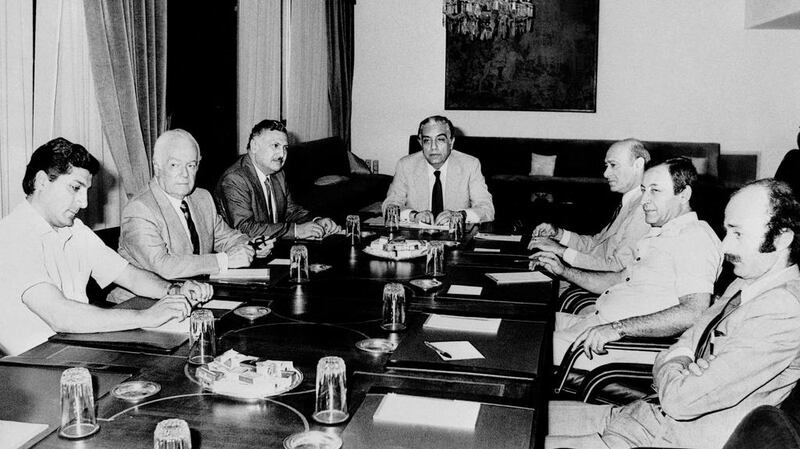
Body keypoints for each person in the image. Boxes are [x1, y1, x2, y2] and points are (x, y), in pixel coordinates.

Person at [546, 178, 800, 449]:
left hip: (666, 439)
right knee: (521, 414)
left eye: (738, 233)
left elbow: (681, 400)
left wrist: (673, 364)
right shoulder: (745, 282)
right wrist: (682, 362)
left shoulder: (783, 309)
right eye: (727, 232)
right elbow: (690, 337)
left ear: (782, 238)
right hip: (641, 416)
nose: (725, 246)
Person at [0, 138, 213, 356]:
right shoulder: (12, 235)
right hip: (36, 362)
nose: (84, 203)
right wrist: (148, 316)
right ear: (42, 182)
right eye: (75, 188)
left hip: (77, 347)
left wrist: (173, 291)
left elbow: (129, 276)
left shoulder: (74, 230)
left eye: (86, 191)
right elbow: (61, 316)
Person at [532, 158, 722, 369]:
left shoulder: (694, 237)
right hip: (601, 324)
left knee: (524, 347)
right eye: (643, 190)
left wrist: (617, 328)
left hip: (623, 343)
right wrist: (564, 270)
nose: (644, 200)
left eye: (655, 191)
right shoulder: (661, 233)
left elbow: (694, 311)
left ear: (684, 194)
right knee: (529, 323)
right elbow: (618, 279)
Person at [114, 130, 272, 299]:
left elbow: (226, 237)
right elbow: (163, 266)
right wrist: (224, 260)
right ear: (157, 167)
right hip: (145, 304)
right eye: (175, 165)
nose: (184, 174)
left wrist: (250, 246)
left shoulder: (202, 198)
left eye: (191, 165)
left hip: (196, 295)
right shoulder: (139, 208)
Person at [528, 139, 651, 272]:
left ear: (638, 164)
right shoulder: (629, 202)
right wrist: (558, 234)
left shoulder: (643, 209)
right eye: (606, 166)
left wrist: (560, 251)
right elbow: (595, 245)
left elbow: (618, 267)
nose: (606, 174)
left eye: (613, 165)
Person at [215, 119, 341, 240]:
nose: (282, 154)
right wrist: (296, 231)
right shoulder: (234, 179)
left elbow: (291, 211)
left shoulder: (277, 173)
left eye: (285, 147)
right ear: (254, 146)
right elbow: (244, 228)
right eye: (275, 145)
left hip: (272, 246)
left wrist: (316, 222)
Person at [382, 115, 494, 224]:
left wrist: (460, 215)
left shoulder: (470, 165)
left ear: (451, 142)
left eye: (440, 139)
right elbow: (389, 206)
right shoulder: (405, 165)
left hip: (455, 237)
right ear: (420, 143)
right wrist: (414, 215)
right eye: (427, 140)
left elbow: (487, 209)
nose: (433, 147)